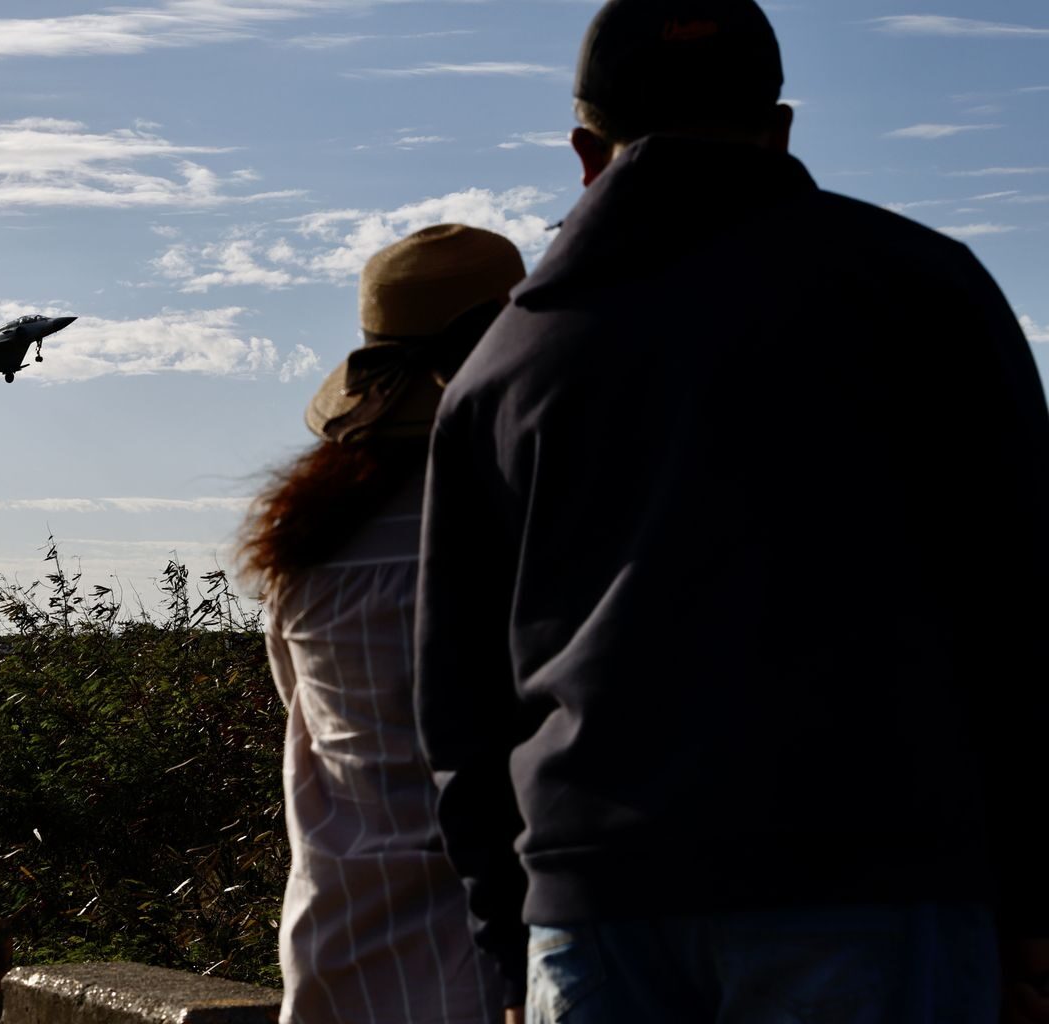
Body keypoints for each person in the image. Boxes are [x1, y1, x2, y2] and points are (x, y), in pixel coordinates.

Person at [412, 2, 1049, 1022]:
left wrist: (509, 940)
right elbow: (1022, 611)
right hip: (872, 879)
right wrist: (1028, 906)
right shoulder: (925, 292)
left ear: (586, 152)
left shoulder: (502, 368)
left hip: (594, 906)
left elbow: (460, 705)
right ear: (781, 127)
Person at [241, 225, 521, 1024]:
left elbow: (299, 719)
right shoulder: (526, 522)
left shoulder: (306, 549)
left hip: (341, 948)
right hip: (492, 967)